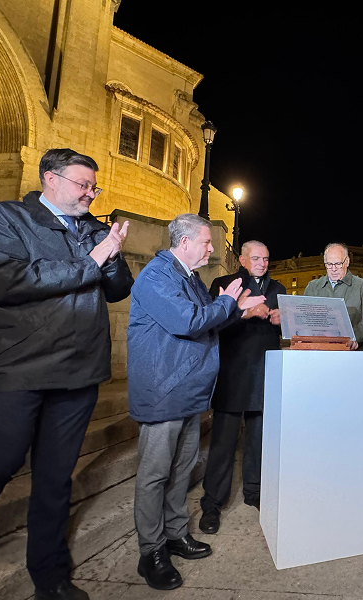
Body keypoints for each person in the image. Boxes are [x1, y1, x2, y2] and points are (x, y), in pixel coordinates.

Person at [0, 149, 134, 600]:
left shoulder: (94, 228)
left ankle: (49, 572)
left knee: (55, 475)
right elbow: (6, 280)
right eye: (82, 184)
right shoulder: (4, 217)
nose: (91, 193)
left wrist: (110, 257)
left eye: (95, 186)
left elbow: (118, 291)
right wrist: (93, 260)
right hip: (18, 365)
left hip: (79, 370)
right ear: (49, 179)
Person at [127, 214, 265, 590]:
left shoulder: (190, 278)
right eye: (207, 242)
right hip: (162, 390)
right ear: (184, 241)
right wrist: (227, 303)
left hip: (187, 391)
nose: (212, 248)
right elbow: (189, 321)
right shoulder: (157, 275)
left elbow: (210, 322)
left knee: (181, 468)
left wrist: (236, 308)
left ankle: (174, 534)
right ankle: (151, 551)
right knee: (155, 473)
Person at [198, 241, 286, 534]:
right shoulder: (224, 284)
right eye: (257, 258)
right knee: (222, 444)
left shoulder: (279, 288)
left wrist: (282, 319)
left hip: (265, 373)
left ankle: (255, 493)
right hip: (232, 373)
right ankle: (212, 503)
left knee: (259, 442)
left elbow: (290, 327)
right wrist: (244, 313)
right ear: (243, 259)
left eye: (266, 258)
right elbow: (211, 325)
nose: (262, 263)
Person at [304, 243, 363, 349]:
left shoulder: (362, 286)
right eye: (329, 264)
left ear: (347, 262)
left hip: (353, 351)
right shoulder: (313, 287)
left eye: (338, 264)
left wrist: (355, 338)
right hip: (320, 350)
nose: (333, 269)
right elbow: (305, 318)